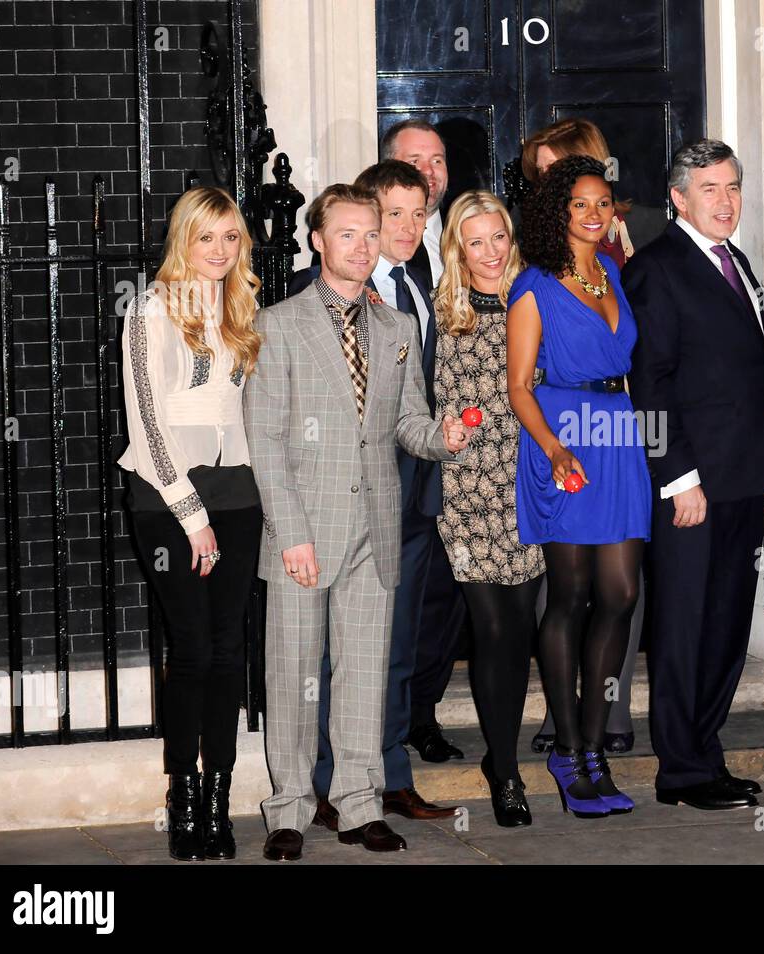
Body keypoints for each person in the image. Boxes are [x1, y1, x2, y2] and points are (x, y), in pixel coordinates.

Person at [247, 183, 470, 861]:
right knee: (291, 674)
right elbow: (266, 441)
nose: (363, 246)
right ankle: (288, 809)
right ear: (318, 241)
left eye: (371, 235)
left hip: (376, 527)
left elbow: (407, 425)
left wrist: (445, 436)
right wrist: (292, 534)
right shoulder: (277, 324)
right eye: (347, 234)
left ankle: (358, 804)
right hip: (305, 533)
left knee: (364, 675)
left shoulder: (398, 329)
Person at [623, 140, 764, 811]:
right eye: (711, 189)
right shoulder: (658, 268)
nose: (726, 201)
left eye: (733, 187)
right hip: (691, 484)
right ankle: (680, 771)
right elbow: (649, 383)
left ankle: (706, 753)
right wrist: (678, 478)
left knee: (725, 622)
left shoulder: (738, 262)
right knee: (685, 625)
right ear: (679, 198)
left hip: (743, 475)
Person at [307, 161, 463, 835]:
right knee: (336, 653)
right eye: (390, 215)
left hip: (415, 498)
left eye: (416, 214)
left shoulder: (425, 285)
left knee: (399, 648)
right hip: (347, 500)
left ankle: (391, 779)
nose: (404, 229)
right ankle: (324, 784)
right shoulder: (323, 296)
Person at [119, 186, 264, 861]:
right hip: (165, 493)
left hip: (238, 491)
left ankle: (218, 802)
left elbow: (246, 414)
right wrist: (189, 513)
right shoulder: (150, 310)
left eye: (231, 238)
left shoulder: (240, 305)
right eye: (208, 237)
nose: (220, 251)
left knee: (230, 649)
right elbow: (148, 420)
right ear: (184, 238)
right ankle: (182, 799)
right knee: (194, 649)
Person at [507, 155, 652, 818]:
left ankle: (594, 745)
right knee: (568, 596)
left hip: (618, 434)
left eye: (604, 203)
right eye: (581, 205)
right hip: (562, 435)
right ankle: (567, 750)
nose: (596, 215)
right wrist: (554, 445)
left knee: (620, 592)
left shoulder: (613, 274)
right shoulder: (532, 286)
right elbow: (517, 386)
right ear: (558, 213)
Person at [434, 190, 545, 826]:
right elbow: (430, 402)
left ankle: (501, 756)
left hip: (526, 484)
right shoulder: (443, 314)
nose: (489, 251)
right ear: (458, 247)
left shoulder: (533, 301)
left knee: (520, 629)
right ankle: (504, 769)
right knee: (492, 629)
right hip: (467, 490)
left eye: (497, 236)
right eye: (474, 241)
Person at [518, 117, 667, 269]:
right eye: (541, 170)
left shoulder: (650, 227)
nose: (545, 179)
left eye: (553, 167)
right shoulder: (531, 230)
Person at [381, 119, 450, 289]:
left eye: (437, 161)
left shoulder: (468, 233)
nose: (428, 171)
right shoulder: (363, 238)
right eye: (414, 161)